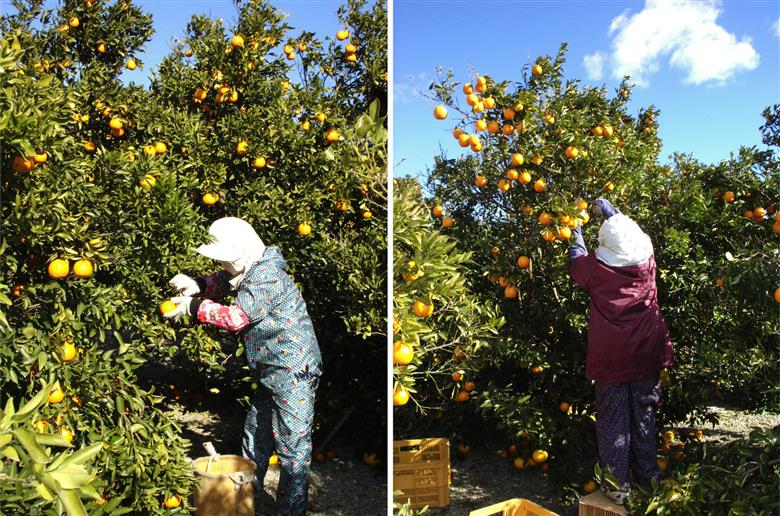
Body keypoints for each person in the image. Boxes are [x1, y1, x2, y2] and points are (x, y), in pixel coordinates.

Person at [165, 217, 322, 516]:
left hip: (293, 372)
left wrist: (193, 307)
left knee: (292, 450)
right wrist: (197, 285)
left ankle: (290, 511)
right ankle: (242, 498)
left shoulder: (268, 276)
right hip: (271, 371)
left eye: (226, 260)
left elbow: (236, 317)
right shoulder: (252, 269)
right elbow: (225, 280)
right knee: (256, 433)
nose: (224, 266)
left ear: (243, 251)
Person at [569, 198, 674, 504]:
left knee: (614, 419)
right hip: (647, 354)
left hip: (612, 359)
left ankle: (617, 486)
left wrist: (576, 233)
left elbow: (577, 264)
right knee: (644, 416)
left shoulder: (597, 268)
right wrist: (616, 216)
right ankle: (648, 478)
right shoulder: (647, 260)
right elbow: (628, 236)